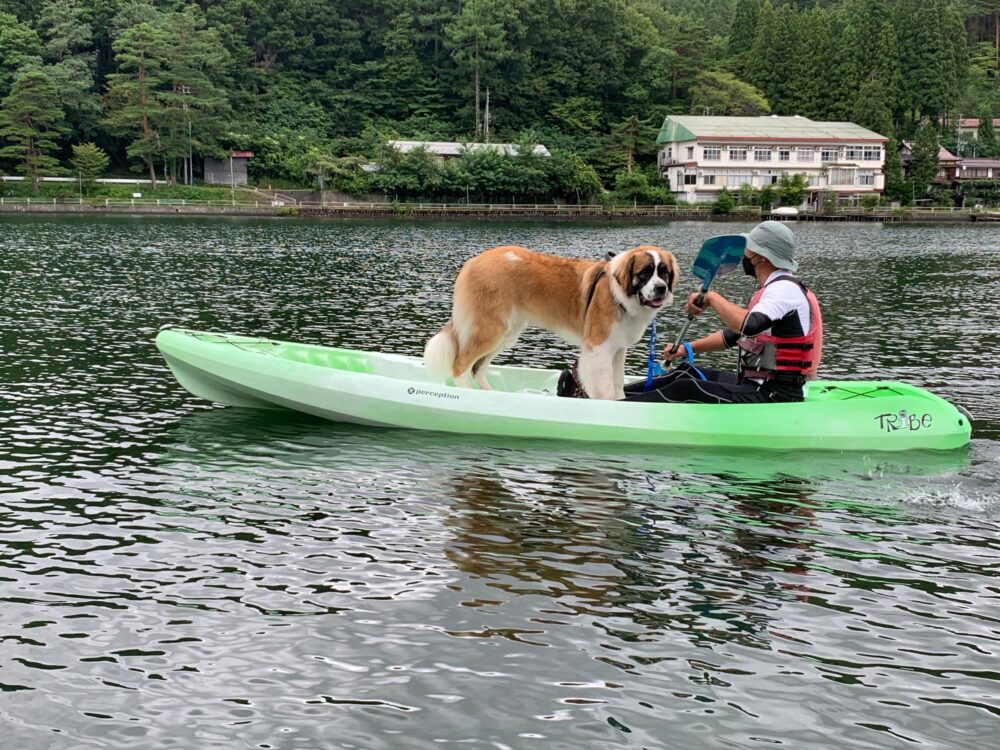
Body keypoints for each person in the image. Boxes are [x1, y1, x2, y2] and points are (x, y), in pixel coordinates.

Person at [622, 220, 823, 404]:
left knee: (686, 388)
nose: (744, 254)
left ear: (760, 257)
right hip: (754, 384)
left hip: (775, 395)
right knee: (686, 372)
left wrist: (711, 297)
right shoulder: (772, 289)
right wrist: (686, 349)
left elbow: (749, 324)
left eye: (748, 249)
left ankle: (616, 412)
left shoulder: (784, 290)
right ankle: (615, 398)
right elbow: (734, 336)